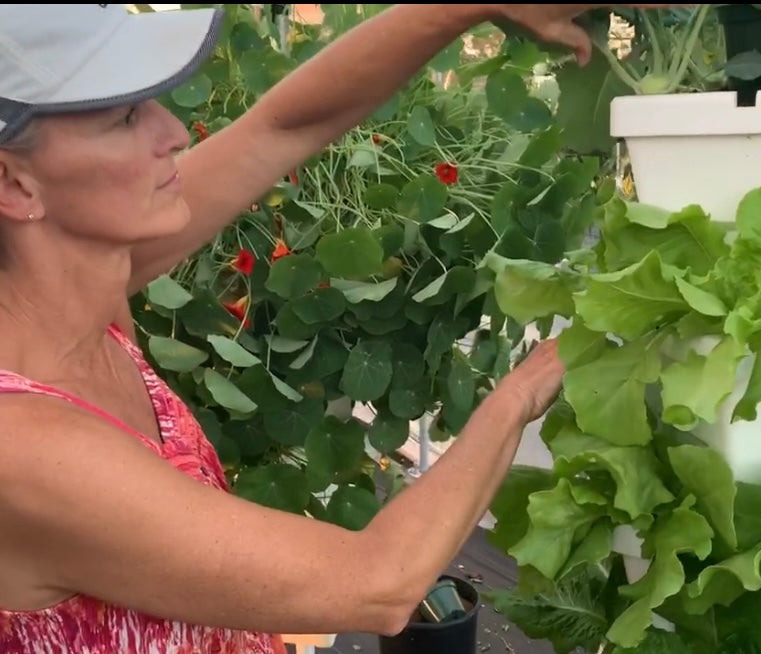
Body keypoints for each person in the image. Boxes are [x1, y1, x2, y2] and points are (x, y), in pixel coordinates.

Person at [0, 4, 671, 653]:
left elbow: (283, 127)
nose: (172, 131)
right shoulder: (24, 448)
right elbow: (377, 585)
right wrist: (524, 389)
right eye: (123, 117)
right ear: (14, 184)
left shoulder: (81, 290)